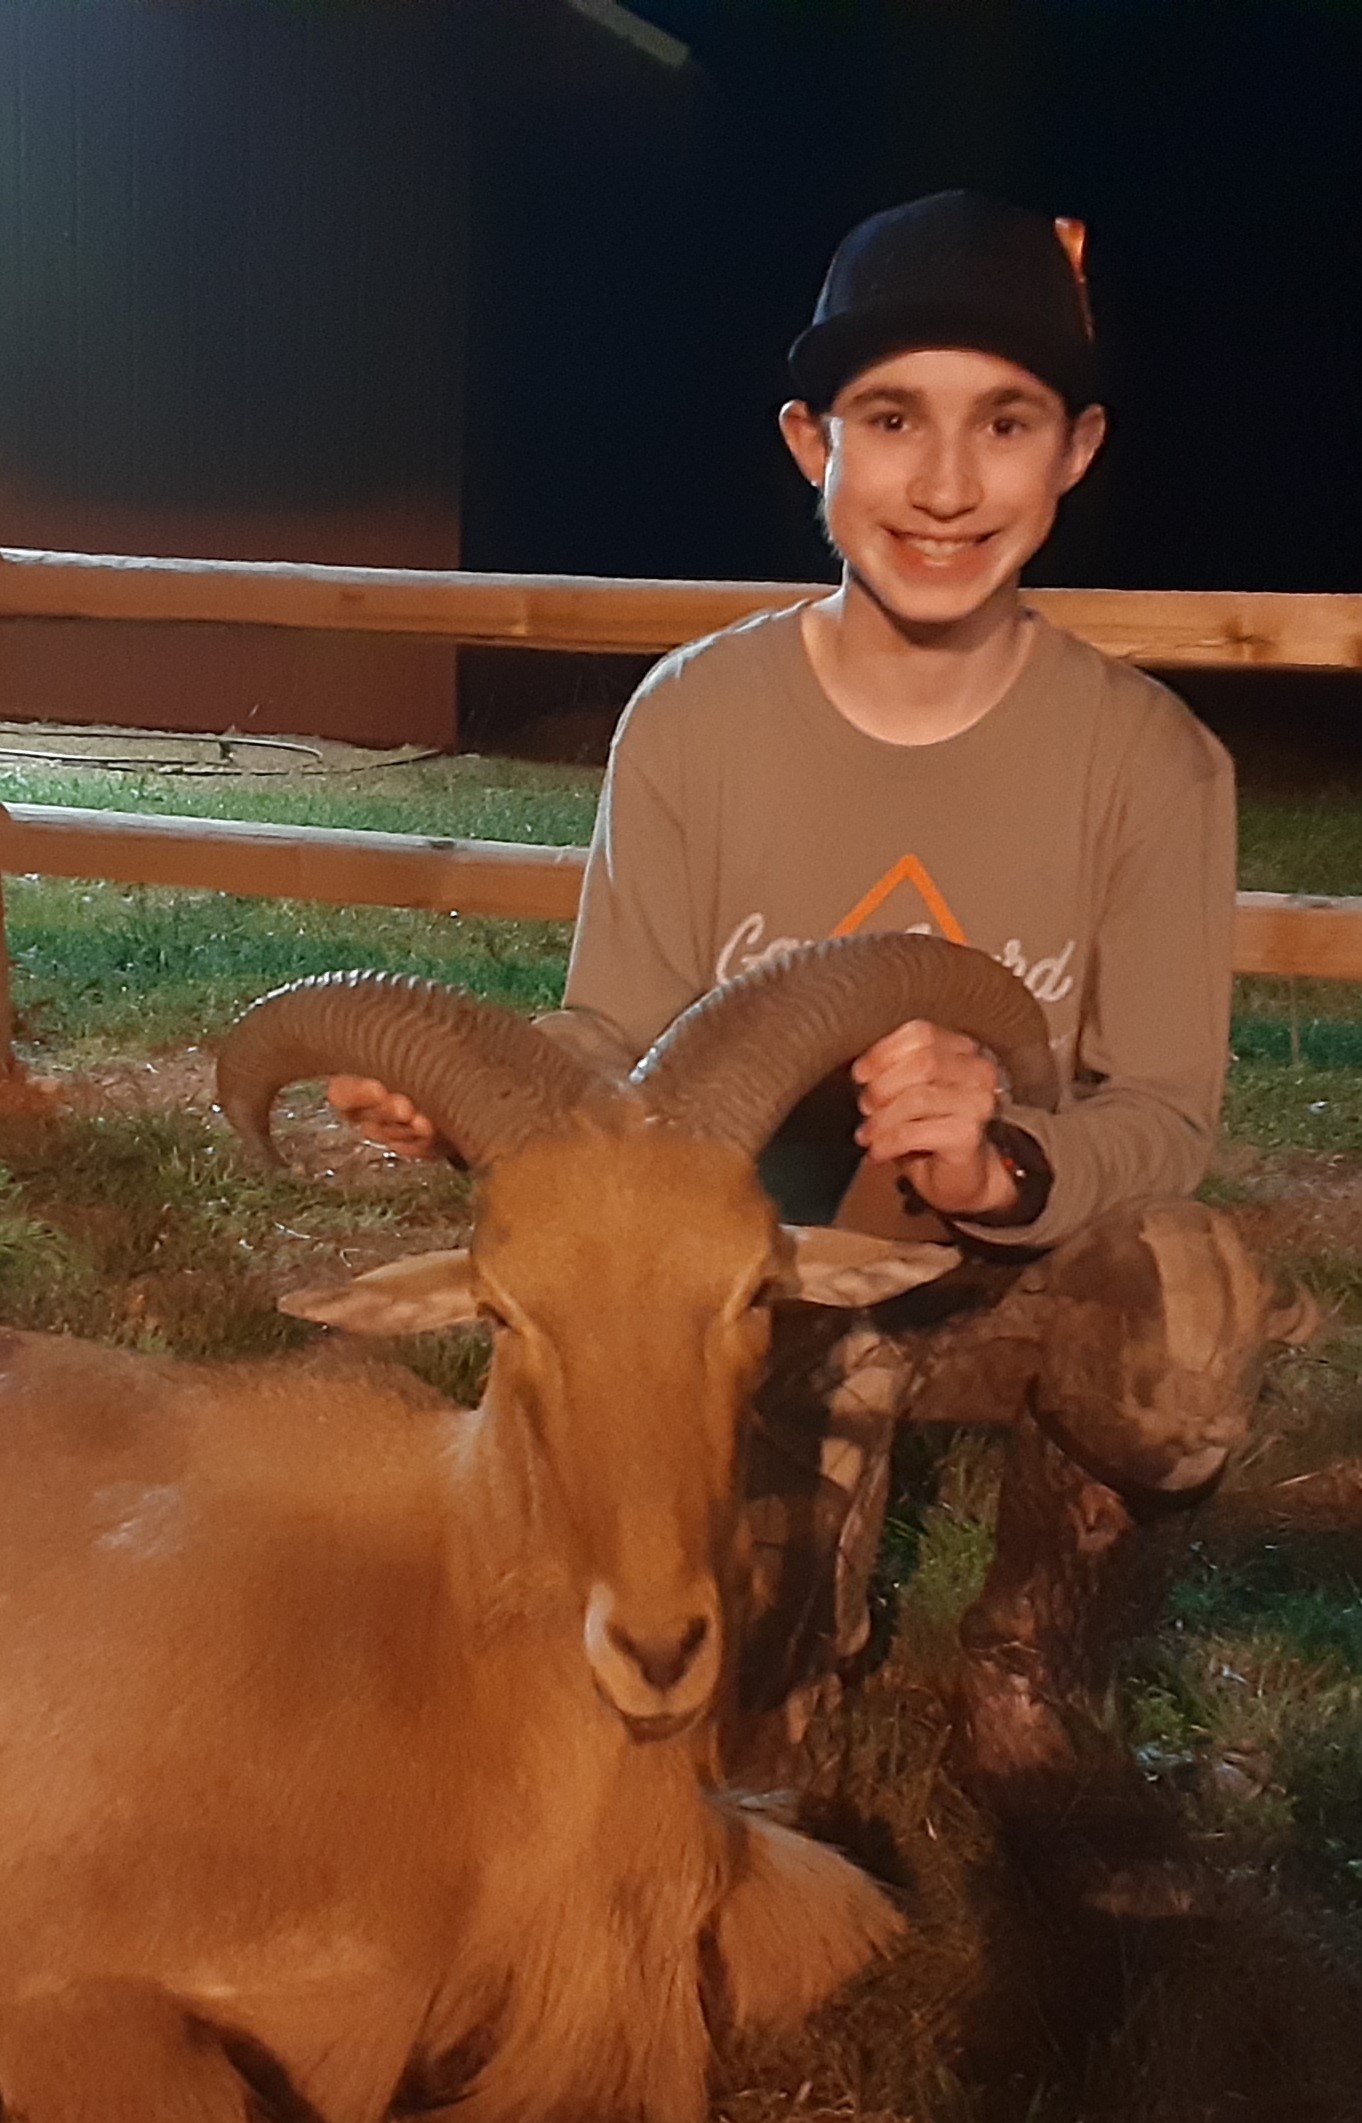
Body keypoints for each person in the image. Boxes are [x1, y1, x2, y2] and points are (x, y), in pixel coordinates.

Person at [331, 193, 1293, 1908]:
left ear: (1073, 453)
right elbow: (612, 1033)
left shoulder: (1149, 764)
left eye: (1005, 424)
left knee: (1185, 1301)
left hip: (1014, 1264)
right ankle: (785, 1633)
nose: (946, 484)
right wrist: (472, 1104)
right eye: (891, 420)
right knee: (736, 1745)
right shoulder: (695, 723)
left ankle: (1028, 1677)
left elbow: (1162, 1109)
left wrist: (1002, 1157)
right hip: (759, 1284)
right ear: (810, 445)